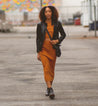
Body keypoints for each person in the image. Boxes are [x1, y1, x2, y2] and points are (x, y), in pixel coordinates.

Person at [36, 6, 66, 99]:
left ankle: (48, 88)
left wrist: (57, 41)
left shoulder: (57, 23)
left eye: (49, 11)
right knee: (46, 68)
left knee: (51, 70)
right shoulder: (40, 25)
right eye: (46, 12)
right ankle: (50, 88)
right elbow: (38, 39)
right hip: (43, 49)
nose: (48, 13)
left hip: (53, 49)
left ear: (52, 13)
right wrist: (38, 52)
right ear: (43, 14)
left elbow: (63, 35)